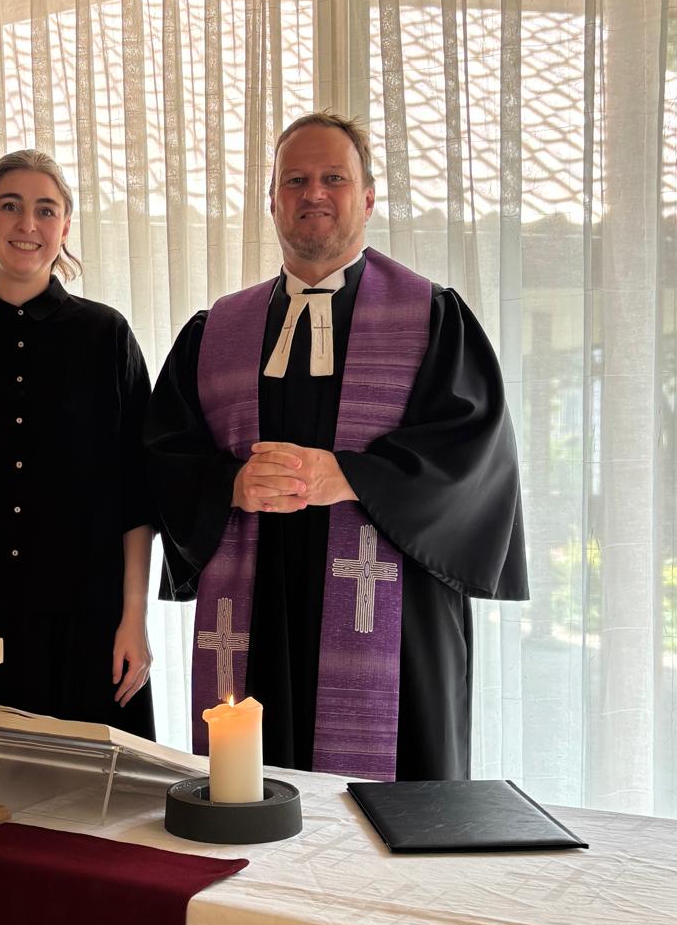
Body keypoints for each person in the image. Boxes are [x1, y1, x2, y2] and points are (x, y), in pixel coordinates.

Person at [144, 111, 527, 780]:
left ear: (368, 198)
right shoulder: (216, 332)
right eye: (294, 180)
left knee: (395, 818)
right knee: (256, 807)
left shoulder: (431, 317)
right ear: (272, 201)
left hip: (395, 618)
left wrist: (349, 476)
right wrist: (231, 484)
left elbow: (471, 455)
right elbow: (163, 458)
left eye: (333, 178)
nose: (313, 193)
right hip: (256, 607)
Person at [0, 148, 155, 736]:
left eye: (46, 210)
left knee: (88, 786)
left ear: (64, 227)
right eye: (10, 206)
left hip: (86, 615)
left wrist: (134, 619)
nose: (27, 224)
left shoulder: (106, 336)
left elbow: (137, 494)